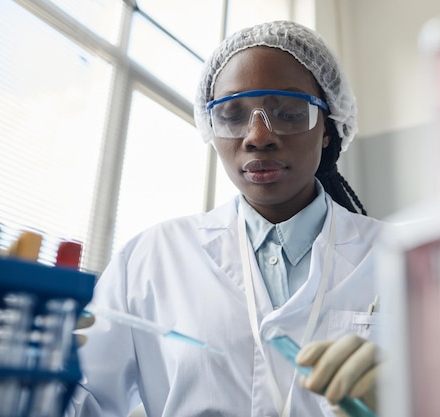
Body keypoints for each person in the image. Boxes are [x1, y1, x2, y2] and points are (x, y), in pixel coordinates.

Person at [69, 20, 385, 417]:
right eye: (232, 115)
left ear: (328, 127)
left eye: (288, 112)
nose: (256, 136)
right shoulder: (151, 259)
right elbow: (78, 401)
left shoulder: (397, 258)